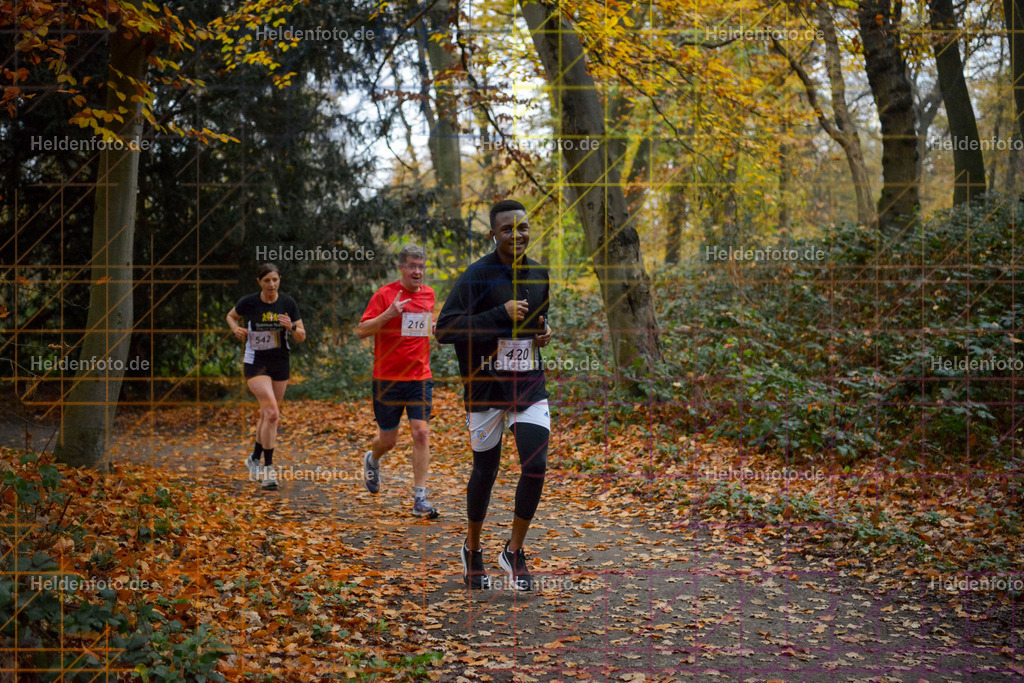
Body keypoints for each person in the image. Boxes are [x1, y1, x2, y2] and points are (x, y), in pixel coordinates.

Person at [435, 199, 553, 591]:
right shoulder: (476, 276)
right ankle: (473, 550)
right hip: (485, 386)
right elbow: (445, 330)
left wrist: (542, 334)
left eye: (522, 227)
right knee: (485, 471)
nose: (516, 235)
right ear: (494, 234)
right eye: (507, 229)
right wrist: (500, 313)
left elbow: (536, 320)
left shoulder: (539, 273)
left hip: (528, 382)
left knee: (535, 464)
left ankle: (514, 552)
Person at [355, 244, 439, 519]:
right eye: (412, 266)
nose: (417, 271)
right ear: (401, 268)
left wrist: (438, 329)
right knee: (388, 440)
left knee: (421, 432)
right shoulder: (384, 295)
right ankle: (373, 458)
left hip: (419, 377)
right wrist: (389, 313)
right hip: (387, 379)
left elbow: (425, 328)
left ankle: (420, 499)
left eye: (421, 266)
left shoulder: (429, 295)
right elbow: (361, 331)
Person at [227, 263, 305, 490]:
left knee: (267, 415)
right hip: (256, 364)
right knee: (272, 413)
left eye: (275, 280)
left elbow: (302, 336)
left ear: (280, 280)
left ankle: (253, 458)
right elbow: (231, 316)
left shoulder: (288, 303)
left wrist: (291, 327)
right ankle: (268, 470)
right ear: (259, 282)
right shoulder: (249, 302)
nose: (271, 284)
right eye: (267, 280)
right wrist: (235, 328)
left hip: (280, 363)